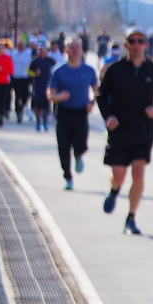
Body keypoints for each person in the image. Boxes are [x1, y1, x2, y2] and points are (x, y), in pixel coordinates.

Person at [95, 30, 153, 235]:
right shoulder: (115, 70)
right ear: (126, 45)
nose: (137, 45)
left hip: (143, 130)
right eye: (133, 41)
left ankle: (131, 218)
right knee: (119, 175)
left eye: (141, 41)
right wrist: (108, 116)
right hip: (119, 130)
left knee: (138, 174)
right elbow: (101, 96)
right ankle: (115, 189)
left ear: (146, 45)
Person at [47, 37, 98, 191]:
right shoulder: (58, 71)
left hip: (81, 112)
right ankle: (68, 178)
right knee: (63, 147)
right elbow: (51, 94)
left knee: (81, 144)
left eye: (77, 47)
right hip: (63, 112)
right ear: (66, 50)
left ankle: (79, 154)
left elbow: (97, 91)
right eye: (72, 47)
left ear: (82, 50)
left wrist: (91, 103)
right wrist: (59, 96)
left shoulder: (89, 70)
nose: (75, 50)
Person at [28, 39, 57, 131]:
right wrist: (35, 73)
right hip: (37, 85)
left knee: (46, 105)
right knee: (37, 105)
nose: (43, 53)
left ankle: (44, 122)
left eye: (44, 51)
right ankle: (38, 121)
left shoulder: (51, 61)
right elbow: (28, 72)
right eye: (41, 51)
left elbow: (56, 70)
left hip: (47, 86)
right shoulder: (35, 61)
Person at [10, 39, 34, 122]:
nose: (20, 46)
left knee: (25, 95)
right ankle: (18, 112)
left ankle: (22, 107)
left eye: (22, 45)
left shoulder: (28, 54)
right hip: (16, 77)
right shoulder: (13, 54)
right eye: (19, 45)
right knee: (17, 95)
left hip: (25, 77)